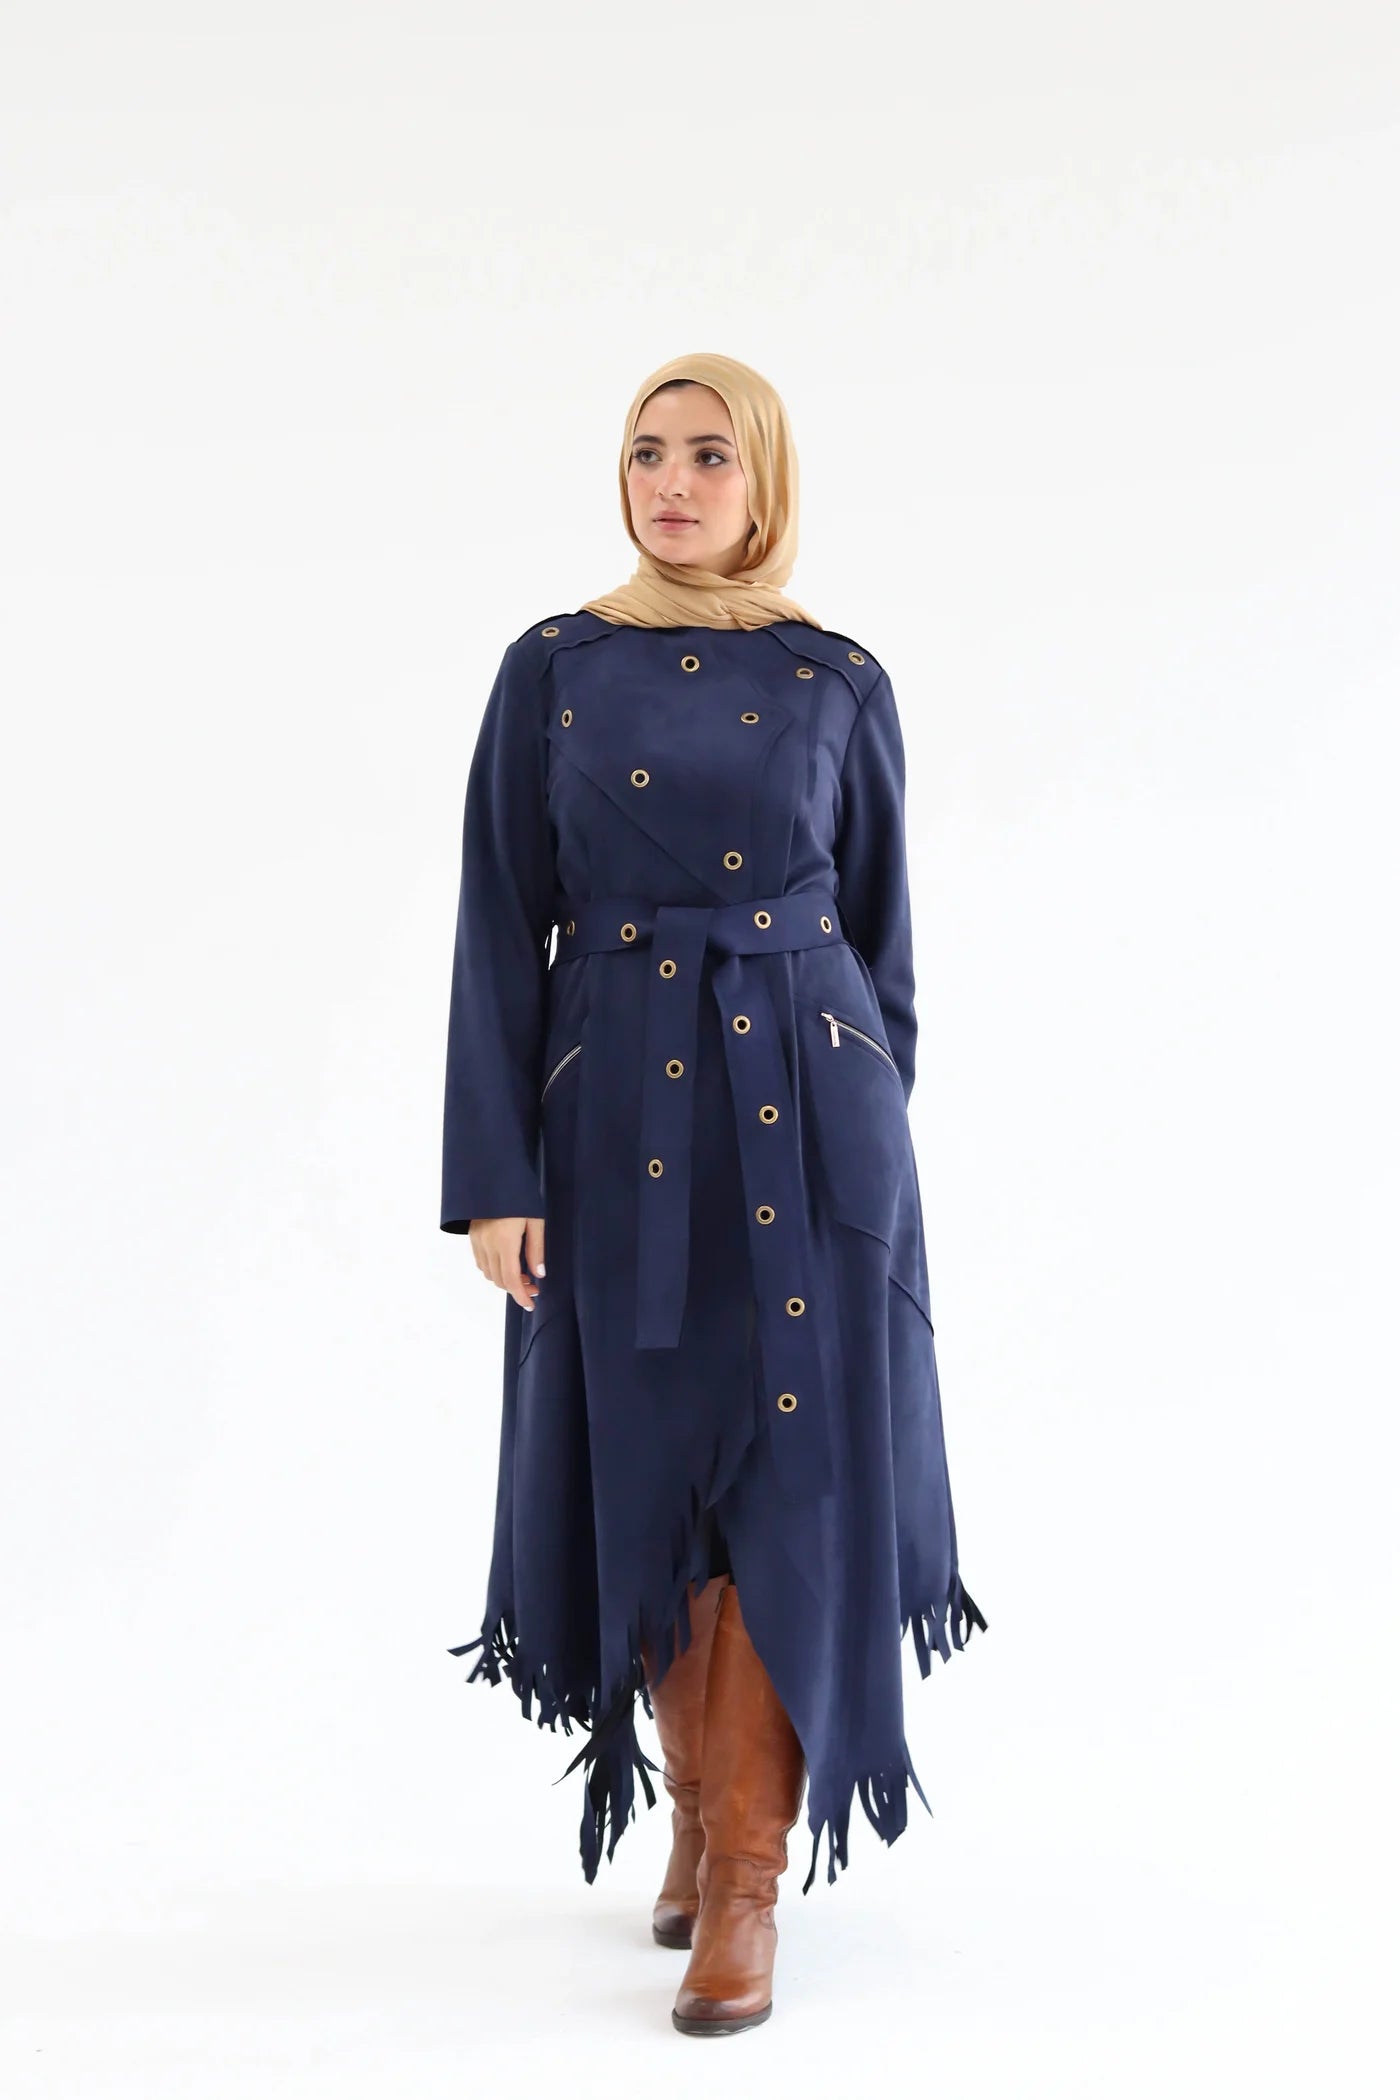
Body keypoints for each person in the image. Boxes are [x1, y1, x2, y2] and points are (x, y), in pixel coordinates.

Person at [442, 350, 986, 2037]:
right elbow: (497, 926)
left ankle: (747, 1877)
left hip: (807, 1120)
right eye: (646, 452)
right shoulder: (552, 670)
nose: (672, 485)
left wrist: (863, 1131)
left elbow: (883, 951)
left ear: (766, 479)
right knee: (652, 1461)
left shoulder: (838, 680)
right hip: (616, 1114)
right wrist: (495, 1179)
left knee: (790, 1475)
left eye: (709, 455)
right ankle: (695, 1809)